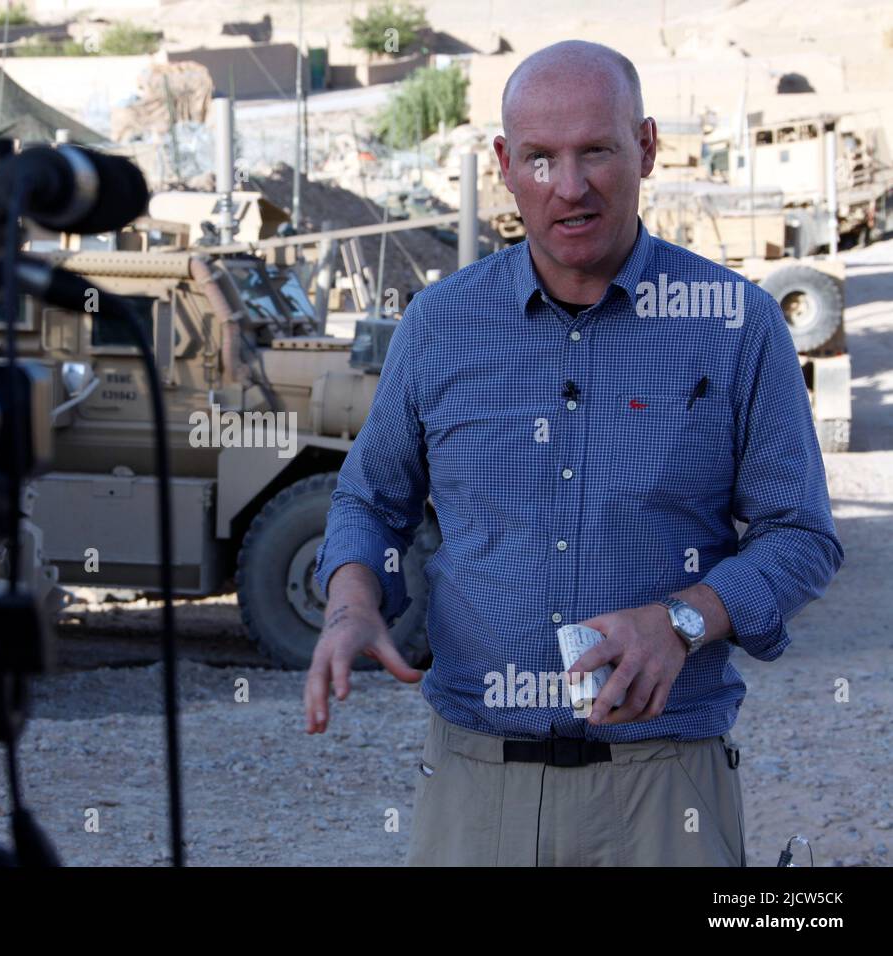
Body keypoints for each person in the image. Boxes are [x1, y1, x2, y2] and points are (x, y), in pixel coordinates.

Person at [304, 40, 844, 866]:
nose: (570, 186)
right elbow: (369, 501)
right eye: (540, 158)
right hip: (474, 788)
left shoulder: (737, 325)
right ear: (503, 165)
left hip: (668, 793)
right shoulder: (440, 325)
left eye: (596, 150)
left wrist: (681, 621)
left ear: (648, 148)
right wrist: (352, 604)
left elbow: (799, 535)